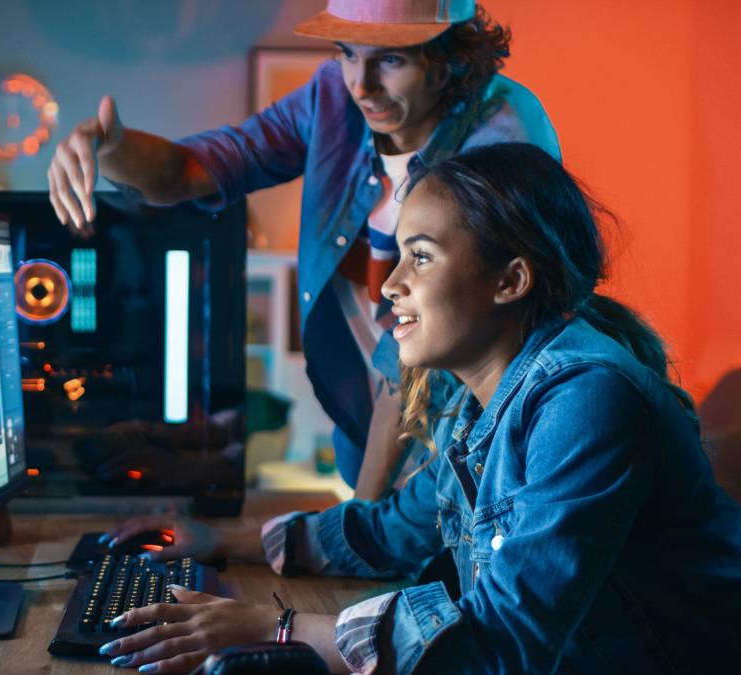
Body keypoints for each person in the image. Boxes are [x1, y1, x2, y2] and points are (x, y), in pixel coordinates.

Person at [93, 143, 741, 673]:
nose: (390, 284)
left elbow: (499, 643)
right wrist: (221, 540)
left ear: (510, 280)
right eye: (398, 253)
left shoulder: (584, 401)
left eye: (420, 257)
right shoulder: (475, 401)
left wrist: (278, 626)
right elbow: (393, 530)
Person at [47, 0, 560, 499]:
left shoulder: (503, 135)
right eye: (347, 53)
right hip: (368, 438)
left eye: (390, 59)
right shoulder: (330, 101)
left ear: (451, 55)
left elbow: (413, 361)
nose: (362, 85)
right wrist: (106, 149)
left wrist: (361, 520)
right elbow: (193, 169)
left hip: (469, 452)